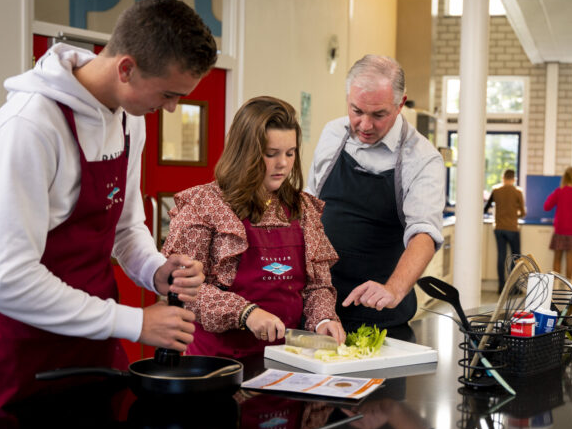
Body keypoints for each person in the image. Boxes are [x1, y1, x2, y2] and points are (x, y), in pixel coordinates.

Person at [0, 0, 217, 413]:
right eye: (169, 94)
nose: (172, 108)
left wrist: (154, 270)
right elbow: (8, 280)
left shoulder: (129, 120)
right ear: (126, 68)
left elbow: (126, 226)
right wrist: (135, 322)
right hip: (22, 355)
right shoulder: (29, 127)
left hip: (93, 352)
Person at [161, 96, 345, 358]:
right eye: (271, 154)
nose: (282, 163)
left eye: (290, 153)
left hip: (288, 359)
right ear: (245, 152)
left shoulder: (303, 209)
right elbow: (185, 290)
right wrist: (245, 313)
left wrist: (324, 320)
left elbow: (317, 286)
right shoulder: (204, 206)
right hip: (218, 364)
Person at [306, 55, 445, 337]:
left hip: (380, 321)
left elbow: (424, 234)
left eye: (378, 115)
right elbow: (308, 207)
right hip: (319, 315)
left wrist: (393, 289)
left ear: (400, 104)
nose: (365, 125)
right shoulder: (332, 133)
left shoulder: (422, 158)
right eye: (356, 111)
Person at [484, 169, 526, 293]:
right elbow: (523, 213)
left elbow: (486, 208)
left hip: (499, 228)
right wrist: (514, 216)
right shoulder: (518, 192)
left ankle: (501, 287)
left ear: (503, 178)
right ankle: (513, 287)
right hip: (513, 228)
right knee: (515, 257)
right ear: (514, 179)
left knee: (501, 257)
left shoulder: (496, 190)